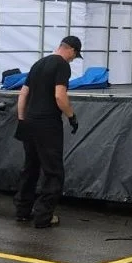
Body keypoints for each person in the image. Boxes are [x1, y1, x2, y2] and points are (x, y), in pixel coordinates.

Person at [13, 35, 82, 228]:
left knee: (30, 167)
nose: (72, 60)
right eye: (74, 57)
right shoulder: (61, 65)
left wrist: (21, 118)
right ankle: (43, 216)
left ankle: (22, 210)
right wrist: (71, 117)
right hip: (48, 125)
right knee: (53, 172)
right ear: (72, 51)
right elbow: (60, 96)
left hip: (29, 121)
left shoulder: (38, 64)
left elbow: (23, 94)